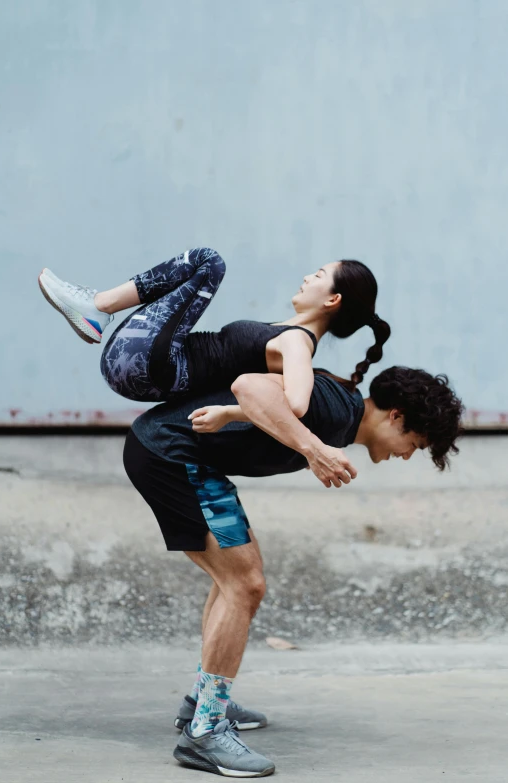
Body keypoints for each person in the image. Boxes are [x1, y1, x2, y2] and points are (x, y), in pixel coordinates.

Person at [122, 364, 463, 777]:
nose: (407, 454)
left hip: (184, 458)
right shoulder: (335, 407)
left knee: (240, 581)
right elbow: (248, 386)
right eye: (414, 442)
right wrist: (312, 448)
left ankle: (203, 702)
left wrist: (310, 446)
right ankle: (205, 731)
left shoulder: (341, 417)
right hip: (168, 454)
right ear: (396, 416)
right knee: (244, 584)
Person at [37, 248, 391, 426]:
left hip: (153, 367)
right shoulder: (290, 335)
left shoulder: (297, 343)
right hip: (144, 369)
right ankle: (95, 308)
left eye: (318, 275)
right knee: (201, 266)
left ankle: (97, 306)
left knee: (209, 262)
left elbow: (297, 405)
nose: (308, 278)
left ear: (333, 299)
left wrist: (228, 414)